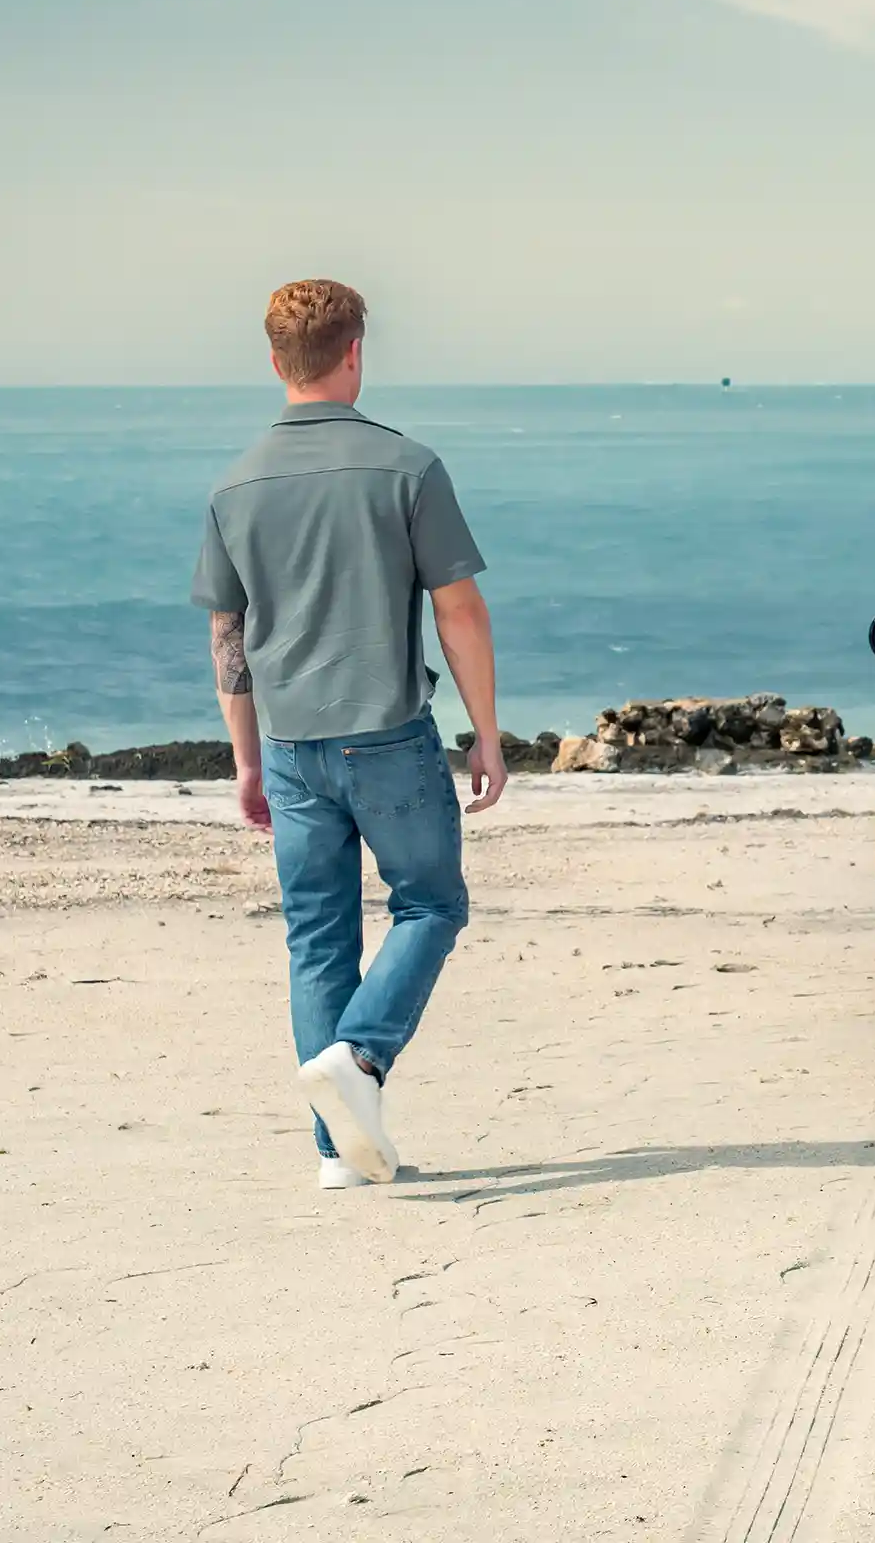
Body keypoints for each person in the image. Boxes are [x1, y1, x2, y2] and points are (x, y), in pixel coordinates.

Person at [190, 279, 507, 1190]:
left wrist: (246, 758)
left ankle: (338, 1155)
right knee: (432, 906)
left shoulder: (233, 485)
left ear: (275, 361)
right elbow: (461, 612)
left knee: (318, 939)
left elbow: (228, 637)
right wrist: (487, 734)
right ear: (357, 352)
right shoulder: (406, 468)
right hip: (390, 739)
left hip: (289, 747)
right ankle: (360, 1061)